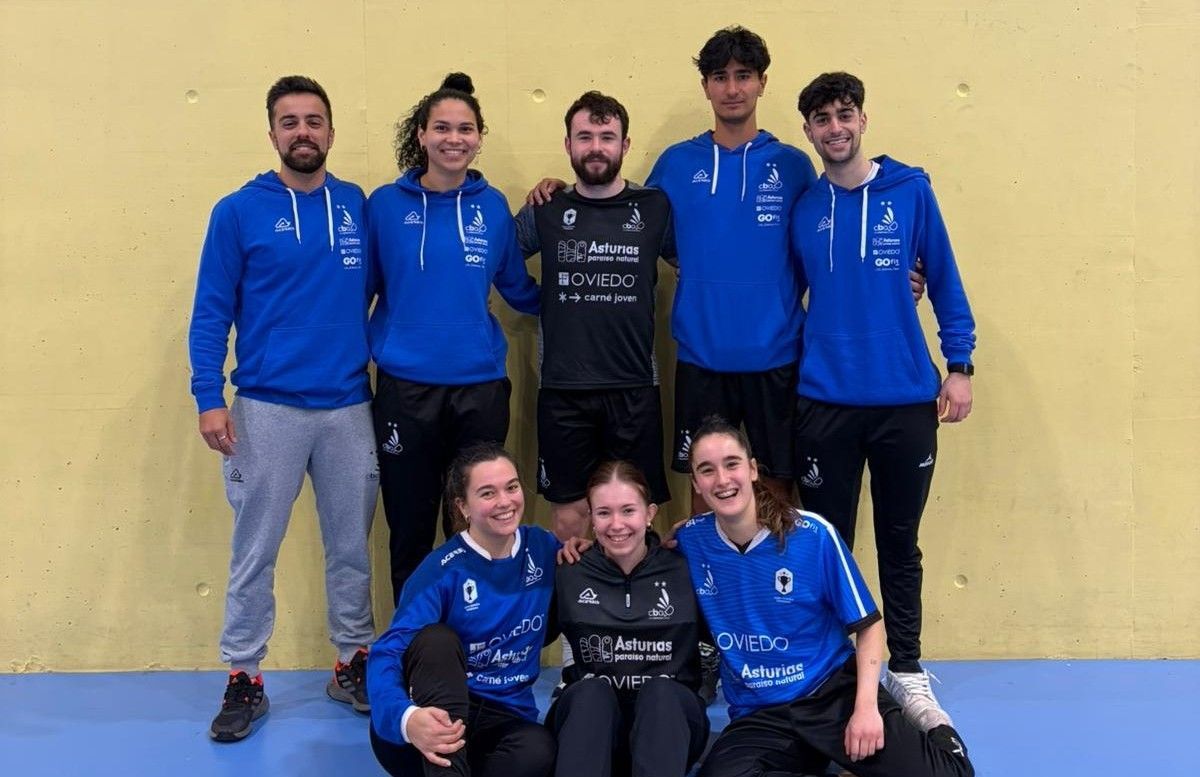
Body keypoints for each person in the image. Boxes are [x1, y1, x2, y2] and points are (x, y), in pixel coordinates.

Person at [188, 75, 376, 741]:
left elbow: (384, 289)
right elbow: (211, 310)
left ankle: (352, 661)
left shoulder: (356, 206)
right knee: (255, 549)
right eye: (289, 121)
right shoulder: (237, 212)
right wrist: (209, 397)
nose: (303, 131)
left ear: (330, 131)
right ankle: (244, 675)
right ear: (272, 134)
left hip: (348, 406)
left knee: (351, 547)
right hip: (265, 408)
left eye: (313, 120)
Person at [789, 72, 977, 730]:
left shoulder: (910, 191)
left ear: (863, 120)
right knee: (828, 544)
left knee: (900, 541)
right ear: (808, 131)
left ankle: (908, 668)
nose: (834, 127)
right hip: (824, 402)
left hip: (905, 401)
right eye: (821, 119)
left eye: (845, 114)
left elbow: (944, 279)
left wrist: (959, 365)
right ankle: (835, 669)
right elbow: (786, 293)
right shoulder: (804, 208)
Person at [674, 417, 974, 777]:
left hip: (832, 696)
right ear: (696, 483)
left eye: (731, 464)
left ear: (752, 469)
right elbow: (635, 549)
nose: (722, 480)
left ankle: (931, 722)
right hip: (760, 714)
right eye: (707, 470)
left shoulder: (812, 535)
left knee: (950, 775)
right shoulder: (691, 541)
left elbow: (869, 627)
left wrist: (866, 709)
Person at [368, 73, 540, 604]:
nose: (453, 138)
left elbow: (518, 289)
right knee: (411, 527)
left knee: (477, 526)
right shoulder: (384, 206)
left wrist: (583, 296)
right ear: (421, 134)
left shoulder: (493, 208)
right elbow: (357, 292)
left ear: (479, 137)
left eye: (465, 129)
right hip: (405, 391)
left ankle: (477, 637)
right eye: (441, 127)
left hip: (479, 390)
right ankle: (415, 641)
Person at [644, 25, 817, 516]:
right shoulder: (676, 163)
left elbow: (828, 240)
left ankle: (775, 571)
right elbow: (633, 226)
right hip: (702, 356)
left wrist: (899, 275)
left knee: (778, 489)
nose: (732, 88)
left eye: (744, 75)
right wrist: (558, 189)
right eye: (720, 77)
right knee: (705, 488)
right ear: (706, 86)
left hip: (777, 354)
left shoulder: (794, 166)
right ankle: (706, 570)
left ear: (762, 82)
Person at [514, 91, 673, 543]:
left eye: (607, 136)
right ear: (568, 145)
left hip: (635, 386)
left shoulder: (655, 207)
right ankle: (574, 594)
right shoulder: (545, 208)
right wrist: (534, 300)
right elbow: (495, 259)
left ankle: (640, 592)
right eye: (585, 137)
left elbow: (693, 265)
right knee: (570, 519)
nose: (596, 147)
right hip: (563, 388)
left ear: (625, 145)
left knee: (638, 514)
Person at [366, 443, 558, 777]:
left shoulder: (543, 548)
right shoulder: (440, 571)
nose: (505, 502)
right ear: (462, 506)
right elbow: (388, 653)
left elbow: (602, 557)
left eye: (512, 487)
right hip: (431, 723)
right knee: (435, 640)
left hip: (504, 720)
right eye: (487, 493)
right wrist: (407, 719)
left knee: (539, 753)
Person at [549, 461, 708, 777]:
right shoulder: (570, 569)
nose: (616, 524)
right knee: (590, 693)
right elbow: (524, 636)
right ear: (591, 518)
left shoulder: (685, 568)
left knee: (661, 692)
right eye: (604, 512)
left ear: (650, 513)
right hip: (591, 727)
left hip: (669, 725)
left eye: (628, 511)